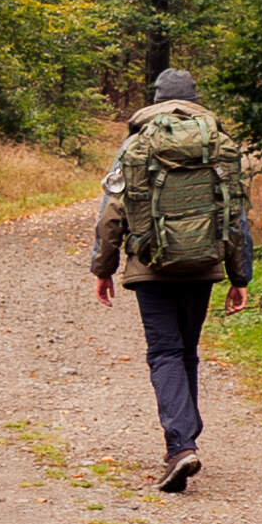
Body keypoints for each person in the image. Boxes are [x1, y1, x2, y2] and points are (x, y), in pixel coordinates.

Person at [91, 68, 251, 493]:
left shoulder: (136, 144)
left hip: (151, 267)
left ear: (157, 98)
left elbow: (112, 211)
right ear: (194, 98)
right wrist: (240, 275)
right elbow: (235, 214)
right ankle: (184, 441)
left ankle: (180, 445)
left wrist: (103, 267)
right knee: (187, 352)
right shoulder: (217, 143)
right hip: (202, 265)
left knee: (164, 352)